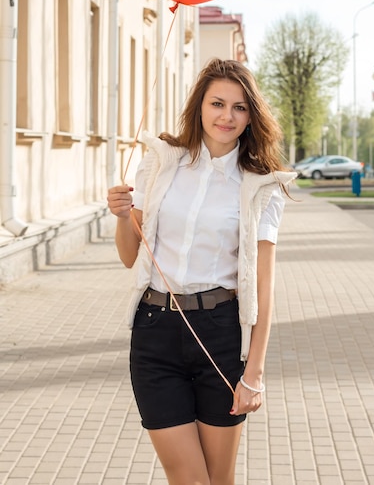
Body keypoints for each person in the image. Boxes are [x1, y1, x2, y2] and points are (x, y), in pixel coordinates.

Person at [107, 58, 296, 485]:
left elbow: (264, 285)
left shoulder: (261, 185)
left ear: (251, 117)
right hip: (155, 333)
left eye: (239, 107)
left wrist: (254, 374)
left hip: (220, 334)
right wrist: (121, 218)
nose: (226, 116)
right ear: (199, 107)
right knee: (189, 479)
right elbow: (128, 256)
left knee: (219, 478)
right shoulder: (158, 163)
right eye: (217, 103)